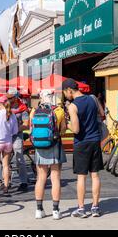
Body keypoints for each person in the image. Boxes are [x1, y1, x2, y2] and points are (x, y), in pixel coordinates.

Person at [62, 78, 103, 218]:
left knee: (81, 177)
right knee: (95, 175)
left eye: (64, 93)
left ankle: (81, 209)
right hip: (95, 140)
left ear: (69, 90)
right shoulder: (93, 99)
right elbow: (102, 114)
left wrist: (66, 124)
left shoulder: (72, 106)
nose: (65, 96)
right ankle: (95, 207)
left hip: (82, 143)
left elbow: (76, 129)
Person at [30, 90, 67, 220]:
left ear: (41, 98)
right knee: (55, 178)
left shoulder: (34, 111)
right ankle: (56, 211)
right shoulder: (59, 111)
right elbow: (63, 129)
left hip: (40, 148)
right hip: (55, 145)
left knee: (41, 178)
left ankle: (39, 210)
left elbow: (31, 130)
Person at [0, 96, 18, 195]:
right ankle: (6, 187)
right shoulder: (12, 115)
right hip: (8, 142)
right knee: (5, 165)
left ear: (0, 104)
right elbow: (15, 131)